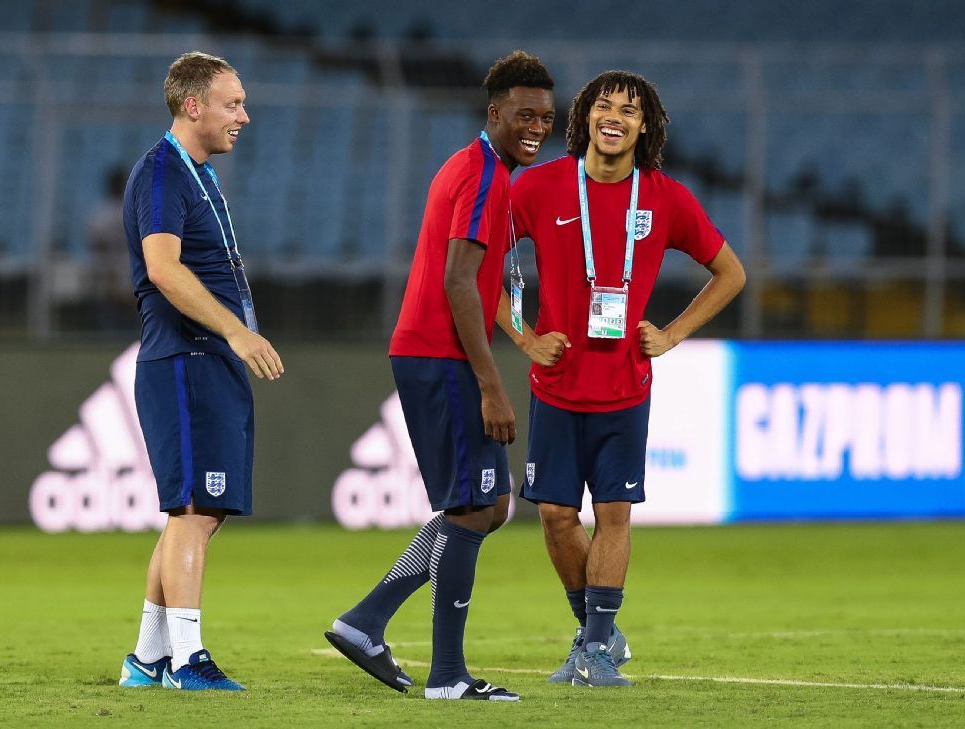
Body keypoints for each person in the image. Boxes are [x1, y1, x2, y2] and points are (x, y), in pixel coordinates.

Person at [324, 51, 556, 702]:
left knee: (486, 505)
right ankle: (447, 674)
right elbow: (458, 280)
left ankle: (366, 620)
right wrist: (491, 383)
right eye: (524, 114)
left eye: (545, 115)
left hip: (433, 350)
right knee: (474, 505)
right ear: (495, 113)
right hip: (442, 354)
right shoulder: (485, 176)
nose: (537, 125)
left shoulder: (474, 167)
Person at [507, 70, 746, 687]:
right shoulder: (538, 187)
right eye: (604, 106)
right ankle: (602, 633)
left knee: (615, 515)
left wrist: (670, 334)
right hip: (556, 387)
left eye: (629, 111)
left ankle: (590, 649)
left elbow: (730, 273)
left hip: (624, 389)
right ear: (585, 116)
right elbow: (480, 263)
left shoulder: (665, 198)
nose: (614, 117)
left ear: (646, 128)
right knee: (557, 517)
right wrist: (524, 337)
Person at [116, 51, 283, 693]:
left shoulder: (198, 174)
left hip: (204, 359)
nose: (244, 115)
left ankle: (149, 657)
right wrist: (236, 330)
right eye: (232, 103)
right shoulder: (162, 173)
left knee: (199, 511)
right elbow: (162, 267)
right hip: (185, 361)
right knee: (193, 509)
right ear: (193, 106)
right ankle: (187, 659)